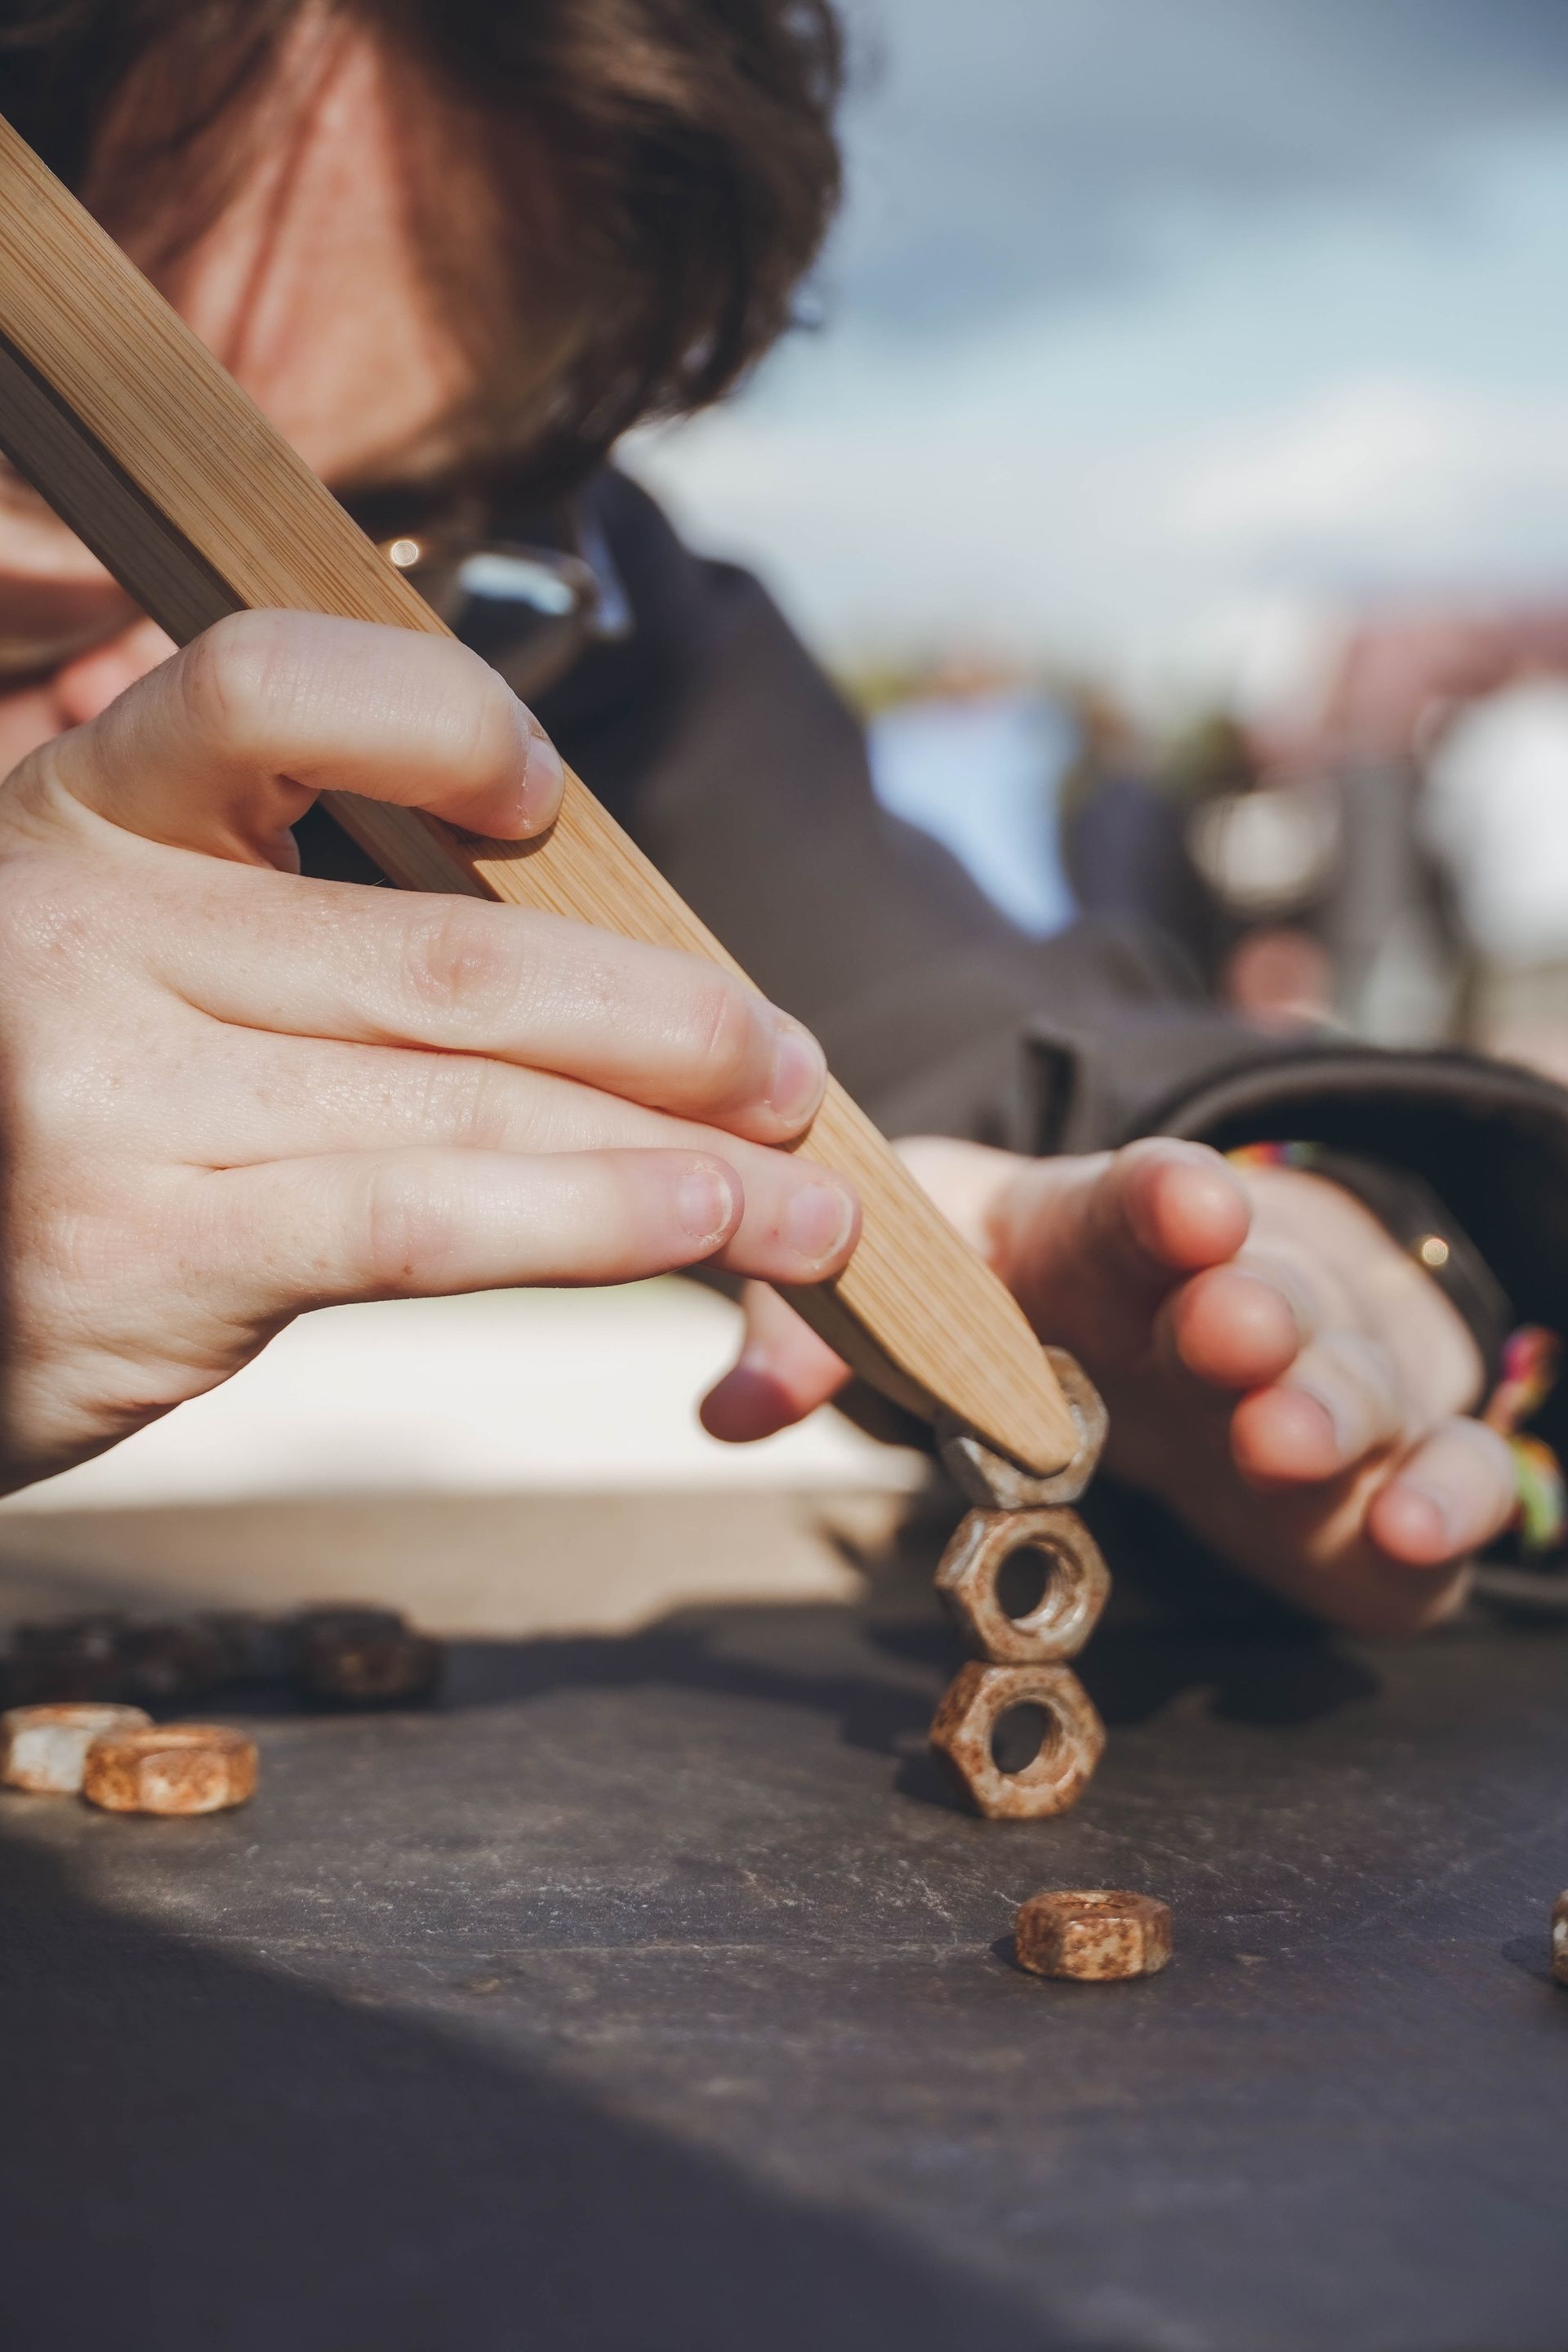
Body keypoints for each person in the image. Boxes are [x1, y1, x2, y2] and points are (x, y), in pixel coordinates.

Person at [2, 0, 1566, 1639]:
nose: (187, 673)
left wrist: (1343, 1235)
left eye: (367, 527)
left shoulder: (554, 618)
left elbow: (964, 1049)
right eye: (37, 460)